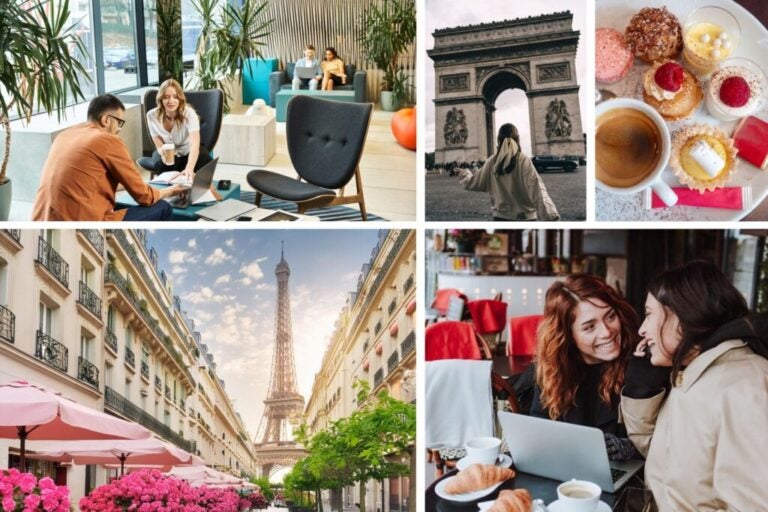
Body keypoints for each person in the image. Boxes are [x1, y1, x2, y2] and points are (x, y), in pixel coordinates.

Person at [621, 261, 768, 511]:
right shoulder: (691, 373)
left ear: (683, 313)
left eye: (648, 314)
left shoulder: (746, 386)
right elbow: (664, 458)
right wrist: (641, 387)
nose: (642, 329)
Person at [530, 274, 639, 461]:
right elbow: (538, 430)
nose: (607, 332)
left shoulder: (639, 365)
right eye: (589, 327)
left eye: (610, 316)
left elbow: (662, 441)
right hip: (567, 472)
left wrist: (629, 448)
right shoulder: (553, 370)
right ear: (567, 335)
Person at [32, 94, 185, 221]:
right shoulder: (108, 140)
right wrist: (171, 190)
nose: (119, 129)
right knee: (163, 207)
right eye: (120, 122)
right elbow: (145, 197)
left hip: (41, 219)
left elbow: (87, 182)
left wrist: (138, 184)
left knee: (121, 204)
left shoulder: (64, 135)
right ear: (106, 120)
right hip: (83, 222)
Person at [459, 123, 559, 221]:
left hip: (500, 218)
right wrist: (550, 216)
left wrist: (464, 174)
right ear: (518, 139)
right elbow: (536, 188)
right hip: (526, 218)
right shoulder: (523, 160)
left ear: (498, 140)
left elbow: (474, 182)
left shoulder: (492, 161)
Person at [146, 78, 212, 178]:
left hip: (188, 150)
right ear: (161, 99)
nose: (171, 101)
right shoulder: (151, 115)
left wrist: (189, 168)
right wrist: (163, 153)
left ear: (180, 98)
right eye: (166, 97)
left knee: (204, 160)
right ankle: (169, 191)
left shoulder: (189, 113)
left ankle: (194, 190)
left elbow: (194, 143)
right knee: (162, 166)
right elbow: (158, 143)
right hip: (167, 152)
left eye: (175, 97)